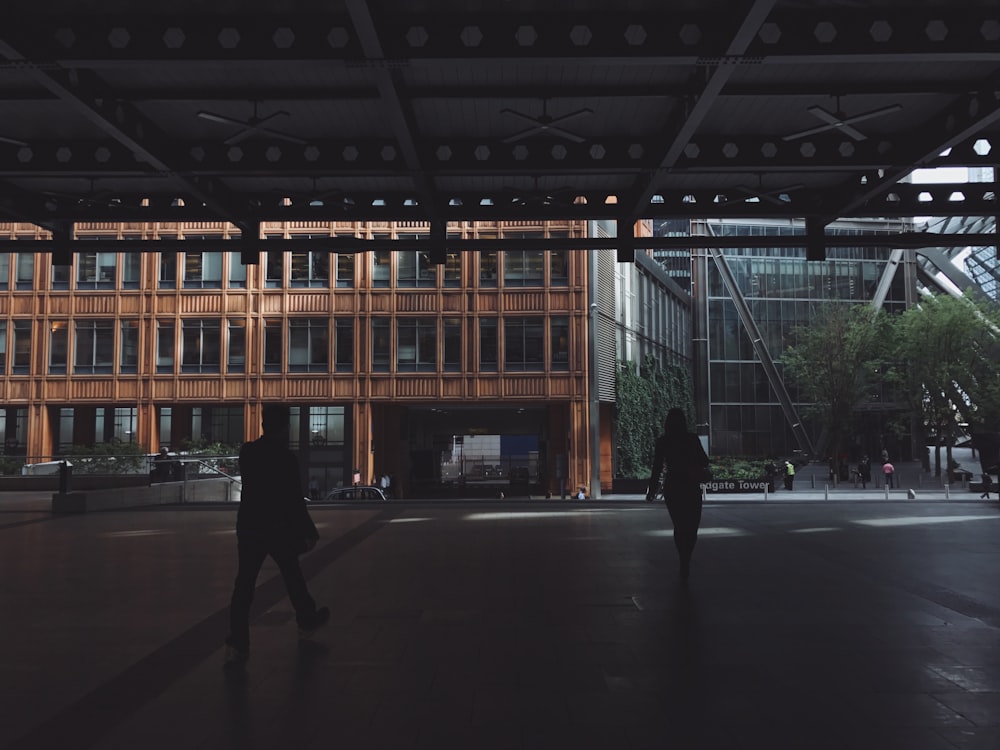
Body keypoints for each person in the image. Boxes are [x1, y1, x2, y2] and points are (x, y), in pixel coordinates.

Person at [225, 404, 329, 665]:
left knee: (244, 586)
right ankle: (306, 618)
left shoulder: (248, 452)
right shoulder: (285, 458)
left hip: (249, 527)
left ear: (263, 425)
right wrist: (307, 530)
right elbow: (293, 500)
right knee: (292, 575)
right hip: (277, 528)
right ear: (285, 428)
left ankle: (238, 644)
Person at [645, 408, 711, 582]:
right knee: (692, 526)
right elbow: (704, 461)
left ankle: (683, 558)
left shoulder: (664, 441)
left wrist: (651, 490)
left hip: (673, 485)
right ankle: (686, 558)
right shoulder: (691, 439)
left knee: (679, 525)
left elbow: (657, 468)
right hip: (690, 485)